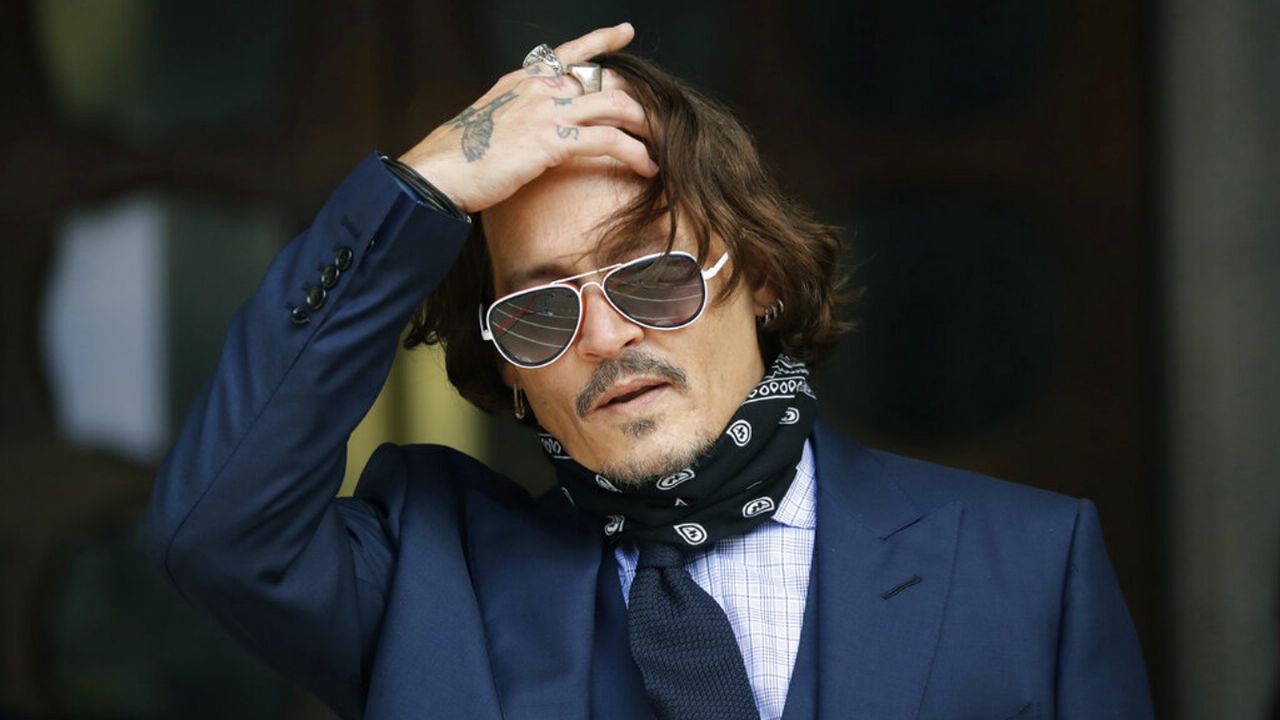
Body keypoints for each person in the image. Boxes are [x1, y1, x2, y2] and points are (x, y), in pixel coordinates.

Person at [141, 23, 1154, 720]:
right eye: (540, 309)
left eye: (653, 275)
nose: (603, 335)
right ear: (510, 372)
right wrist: (422, 190)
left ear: (758, 276)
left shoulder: (1026, 566)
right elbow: (219, 528)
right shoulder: (429, 583)